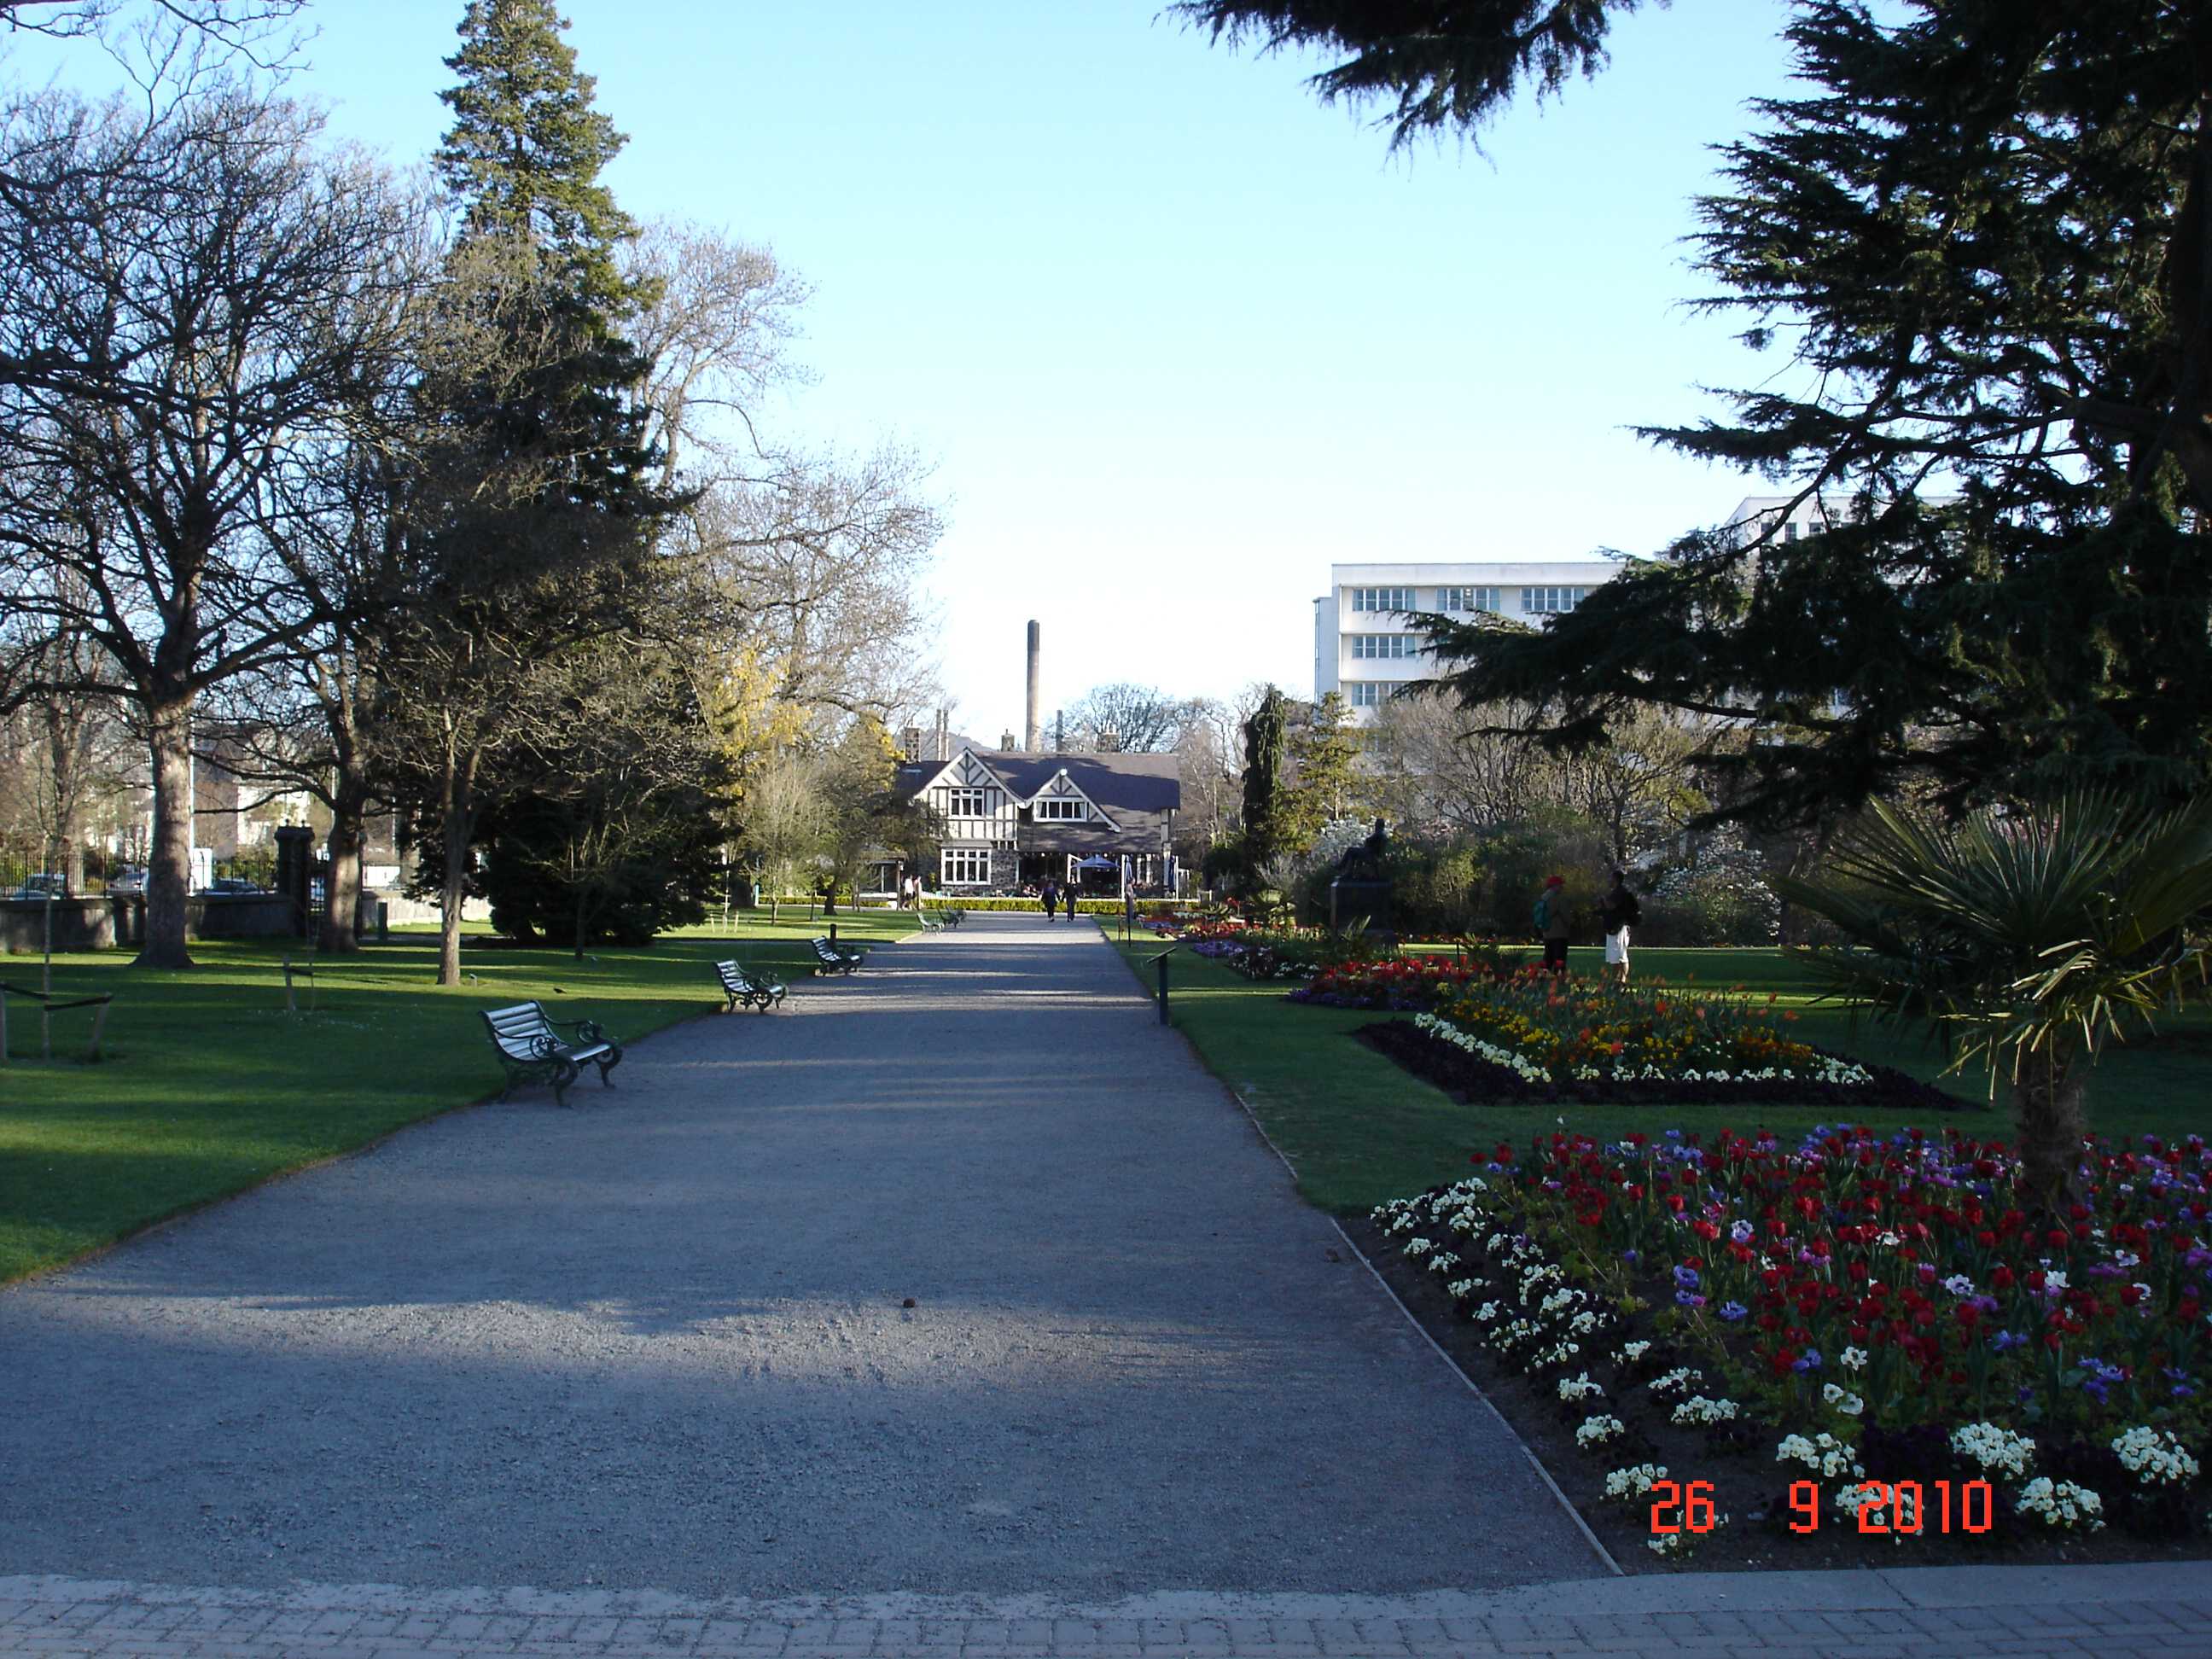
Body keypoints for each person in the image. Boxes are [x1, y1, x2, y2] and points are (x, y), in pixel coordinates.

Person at [1600, 866, 1642, 987]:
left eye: (1610, 878)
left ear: (1615, 879)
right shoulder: (1620, 892)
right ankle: (1617, 980)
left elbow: (1611, 906)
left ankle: (1620, 980)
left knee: (1619, 956)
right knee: (1617, 956)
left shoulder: (1620, 892)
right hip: (1616, 928)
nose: (1609, 880)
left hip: (1619, 928)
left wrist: (1603, 900)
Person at [1535, 875, 1569, 975]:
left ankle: (1544, 976)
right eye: (1560, 885)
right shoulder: (1558, 898)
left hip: (1547, 932)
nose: (1562, 887)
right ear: (1554, 885)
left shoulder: (1543, 897)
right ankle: (1558, 978)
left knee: (1548, 957)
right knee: (1559, 959)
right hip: (1559, 933)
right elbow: (1565, 915)